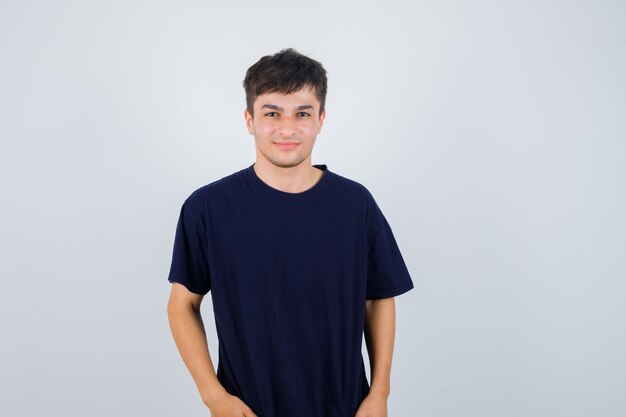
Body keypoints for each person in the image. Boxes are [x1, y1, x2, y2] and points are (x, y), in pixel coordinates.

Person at [166, 48, 414, 417]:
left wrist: (379, 395)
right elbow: (182, 305)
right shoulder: (207, 209)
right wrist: (213, 397)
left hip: (345, 407)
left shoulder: (355, 204)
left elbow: (378, 300)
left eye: (302, 113)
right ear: (249, 120)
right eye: (271, 113)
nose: (287, 128)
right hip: (249, 409)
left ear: (321, 119)